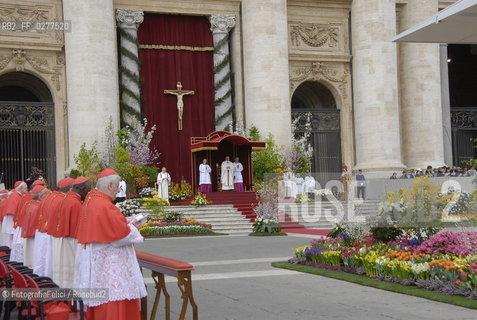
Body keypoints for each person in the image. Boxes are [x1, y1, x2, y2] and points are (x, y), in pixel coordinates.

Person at [75, 168, 146, 320]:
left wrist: (124, 220)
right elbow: (121, 236)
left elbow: (107, 227)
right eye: (117, 186)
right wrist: (134, 226)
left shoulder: (92, 200)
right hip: (111, 266)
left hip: (99, 263)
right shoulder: (105, 205)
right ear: (110, 185)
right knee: (116, 303)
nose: (118, 190)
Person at [53, 176, 91, 288]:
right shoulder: (75, 203)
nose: (88, 193)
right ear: (82, 189)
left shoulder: (66, 198)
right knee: (70, 277)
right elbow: (78, 230)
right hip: (70, 243)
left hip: (62, 240)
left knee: (63, 277)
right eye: (87, 190)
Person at [21, 185, 48, 268]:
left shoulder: (30, 204)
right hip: (34, 236)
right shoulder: (37, 207)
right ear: (41, 196)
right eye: (46, 193)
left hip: (29, 234)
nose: (48, 195)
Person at [1, 181, 27, 248]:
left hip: (12, 218)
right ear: (21, 188)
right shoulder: (15, 196)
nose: (27, 189)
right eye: (25, 188)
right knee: (12, 236)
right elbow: (14, 210)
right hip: (11, 219)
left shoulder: (16, 195)